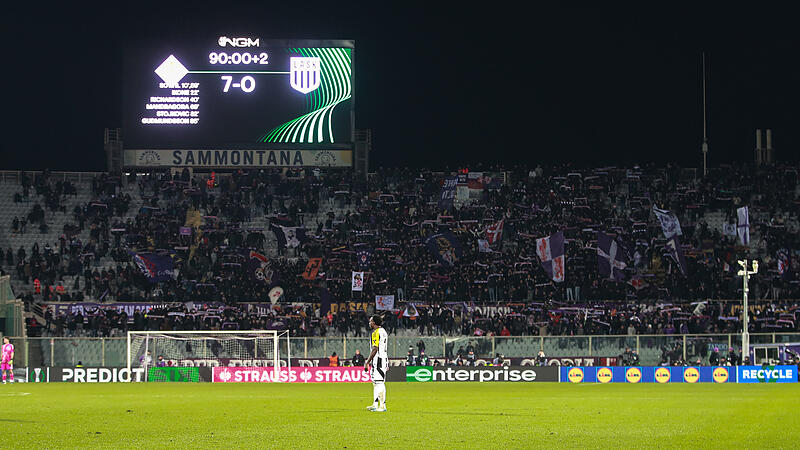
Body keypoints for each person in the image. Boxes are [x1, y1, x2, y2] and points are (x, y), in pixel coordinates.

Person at [364, 314, 388, 412]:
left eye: (370, 321)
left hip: (378, 359)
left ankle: (382, 406)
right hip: (382, 358)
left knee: (379, 382)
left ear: (374, 322)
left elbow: (375, 349)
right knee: (375, 383)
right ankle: (375, 404)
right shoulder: (383, 331)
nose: (369, 323)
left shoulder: (376, 333)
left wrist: (367, 362)